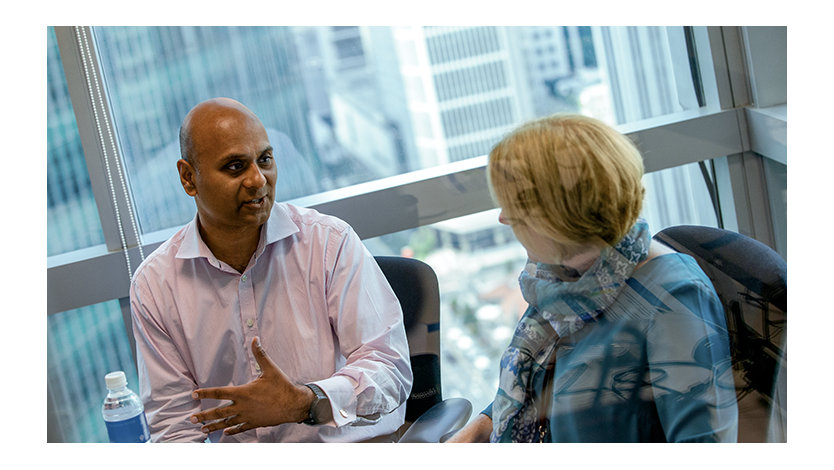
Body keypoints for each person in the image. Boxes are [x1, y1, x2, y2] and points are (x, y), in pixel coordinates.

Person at [129, 97, 412, 442]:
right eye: (235, 167)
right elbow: (174, 428)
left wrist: (306, 401)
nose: (258, 180)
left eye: (265, 160)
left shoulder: (329, 243)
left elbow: (389, 369)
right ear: (189, 178)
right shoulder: (155, 286)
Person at [447, 114, 738, 443]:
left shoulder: (671, 299)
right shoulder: (564, 278)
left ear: (560, 214)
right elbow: (535, 384)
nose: (503, 217)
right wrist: (478, 430)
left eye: (515, 205)